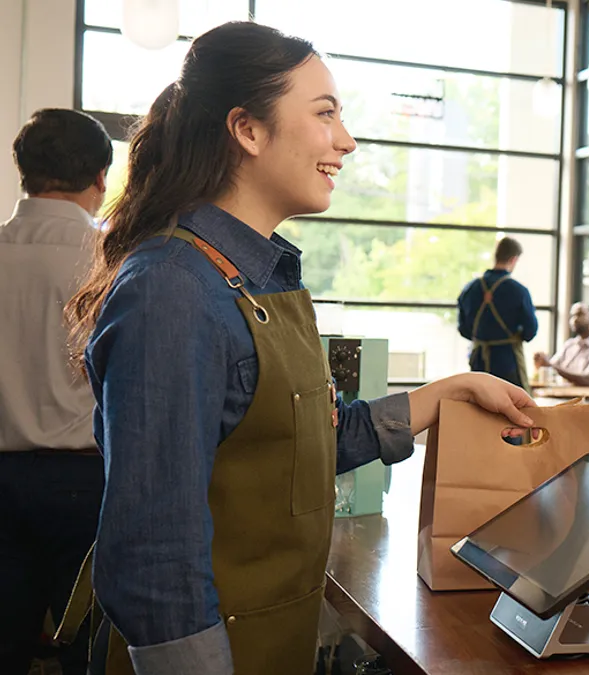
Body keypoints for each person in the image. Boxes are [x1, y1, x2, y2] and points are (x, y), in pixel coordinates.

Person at [58, 22, 535, 675]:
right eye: (325, 114)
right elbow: (153, 553)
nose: (347, 140)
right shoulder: (173, 291)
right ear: (248, 130)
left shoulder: (256, 276)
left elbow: (296, 452)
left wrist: (450, 392)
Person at [0, 109, 111, 675]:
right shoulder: (114, 261)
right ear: (100, 179)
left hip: (1, 478)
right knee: (89, 651)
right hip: (85, 482)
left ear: (24, 173)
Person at [457, 237, 538, 392]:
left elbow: (463, 328)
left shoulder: (470, 289)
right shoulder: (518, 291)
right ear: (514, 259)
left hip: (478, 363)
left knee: (478, 409)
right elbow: (530, 331)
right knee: (513, 410)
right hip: (507, 363)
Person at [533, 302, 589, 389]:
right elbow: (552, 368)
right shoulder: (569, 345)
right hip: (568, 399)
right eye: (572, 315)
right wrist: (542, 363)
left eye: (580, 314)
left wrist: (551, 365)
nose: (575, 319)